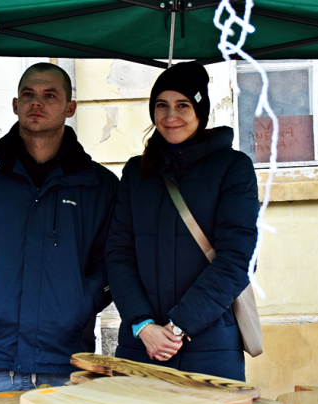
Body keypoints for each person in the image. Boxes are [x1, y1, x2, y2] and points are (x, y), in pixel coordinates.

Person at [0, 63, 119, 392]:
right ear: (15, 105)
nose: (37, 102)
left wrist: (83, 301)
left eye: (49, 95)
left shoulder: (98, 186)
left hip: (68, 364)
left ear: (70, 108)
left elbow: (115, 260)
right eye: (28, 94)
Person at [106, 61, 259, 381]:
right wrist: (143, 326)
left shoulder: (233, 167)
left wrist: (177, 329)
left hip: (210, 348)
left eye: (182, 105)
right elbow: (118, 255)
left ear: (200, 110)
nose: (170, 116)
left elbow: (236, 260)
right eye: (161, 105)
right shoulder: (136, 173)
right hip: (140, 347)